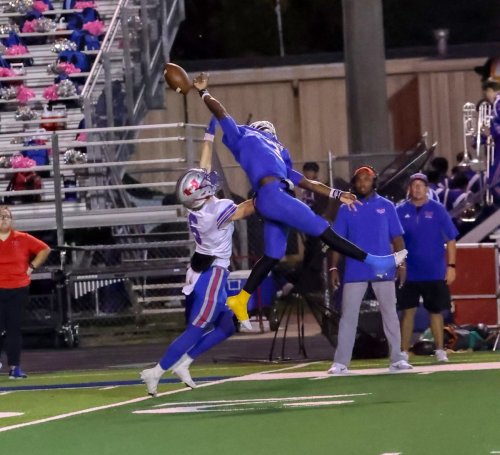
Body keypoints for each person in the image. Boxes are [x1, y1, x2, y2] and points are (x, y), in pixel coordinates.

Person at [191, 72, 407, 328]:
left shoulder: (279, 156)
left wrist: (338, 194)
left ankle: (241, 299)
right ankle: (374, 260)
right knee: (322, 228)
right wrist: (203, 91)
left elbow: (309, 183)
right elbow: (220, 112)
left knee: (273, 255)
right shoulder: (244, 136)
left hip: (274, 196)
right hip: (272, 195)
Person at [140, 120, 255, 396]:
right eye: (205, 184)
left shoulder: (199, 207)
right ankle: (156, 371)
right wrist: (271, 183)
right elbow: (250, 207)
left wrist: (209, 134)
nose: (208, 181)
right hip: (213, 272)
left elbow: (202, 168)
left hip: (203, 266)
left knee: (226, 326)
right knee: (196, 328)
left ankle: (185, 363)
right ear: (201, 193)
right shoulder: (216, 211)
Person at [328, 166, 412, 374]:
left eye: (367, 179)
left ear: (374, 181)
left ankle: (397, 359)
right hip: (355, 270)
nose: (363, 183)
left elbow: (397, 238)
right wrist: (333, 267)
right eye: (359, 179)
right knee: (348, 316)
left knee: (390, 314)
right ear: (354, 183)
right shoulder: (346, 208)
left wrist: (401, 263)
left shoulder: (387, 206)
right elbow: (336, 241)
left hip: (383, 269)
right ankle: (340, 363)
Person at [396, 173, 458, 363]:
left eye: (420, 185)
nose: (417, 188)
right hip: (409, 272)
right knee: (408, 311)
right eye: (414, 185)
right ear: (409, 188)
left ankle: (440, 350)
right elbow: (393, 239)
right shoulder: (400, 210)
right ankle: (403, 352)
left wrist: (451, 266)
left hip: (434, 271)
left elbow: (451, 239)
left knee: (436, 312)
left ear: (426, 188)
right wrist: (398, 263)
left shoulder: (438, 210)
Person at [0, 205, 50, 378]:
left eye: (6, 216)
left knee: (13, 329)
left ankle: (15, 368)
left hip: (18, 289)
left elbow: (45, 249)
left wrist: (31, 267)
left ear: (11, 220)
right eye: (0, 216)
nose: (4, 219)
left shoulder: (23, 238)